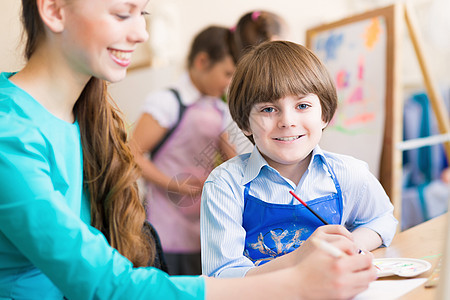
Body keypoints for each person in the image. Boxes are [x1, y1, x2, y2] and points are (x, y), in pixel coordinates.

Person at [0, 0, 377, 299]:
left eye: (142, 13)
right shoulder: (10, 133)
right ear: (52, 9)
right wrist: (297, 282)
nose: (142, 33)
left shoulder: (85, 117)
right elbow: (105, 285)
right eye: (122, 13)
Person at [201, 40, 398, 278]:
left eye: (302, 105)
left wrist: (349, 246)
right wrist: (301, 258)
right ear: (245, 123)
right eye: (268, 109)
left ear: (324, 114)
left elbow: (382, 219)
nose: (287, 121)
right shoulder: (225, 184)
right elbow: (221, 275)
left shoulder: (349, 172)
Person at [129, 25, 237, 276]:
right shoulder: (166, 102)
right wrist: (172, 184)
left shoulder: (219, 110)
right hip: (165, 227)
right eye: (227, 73)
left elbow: (232, 158)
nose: (229, 82)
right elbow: (131, 154)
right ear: (202, 62)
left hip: (203, 229)